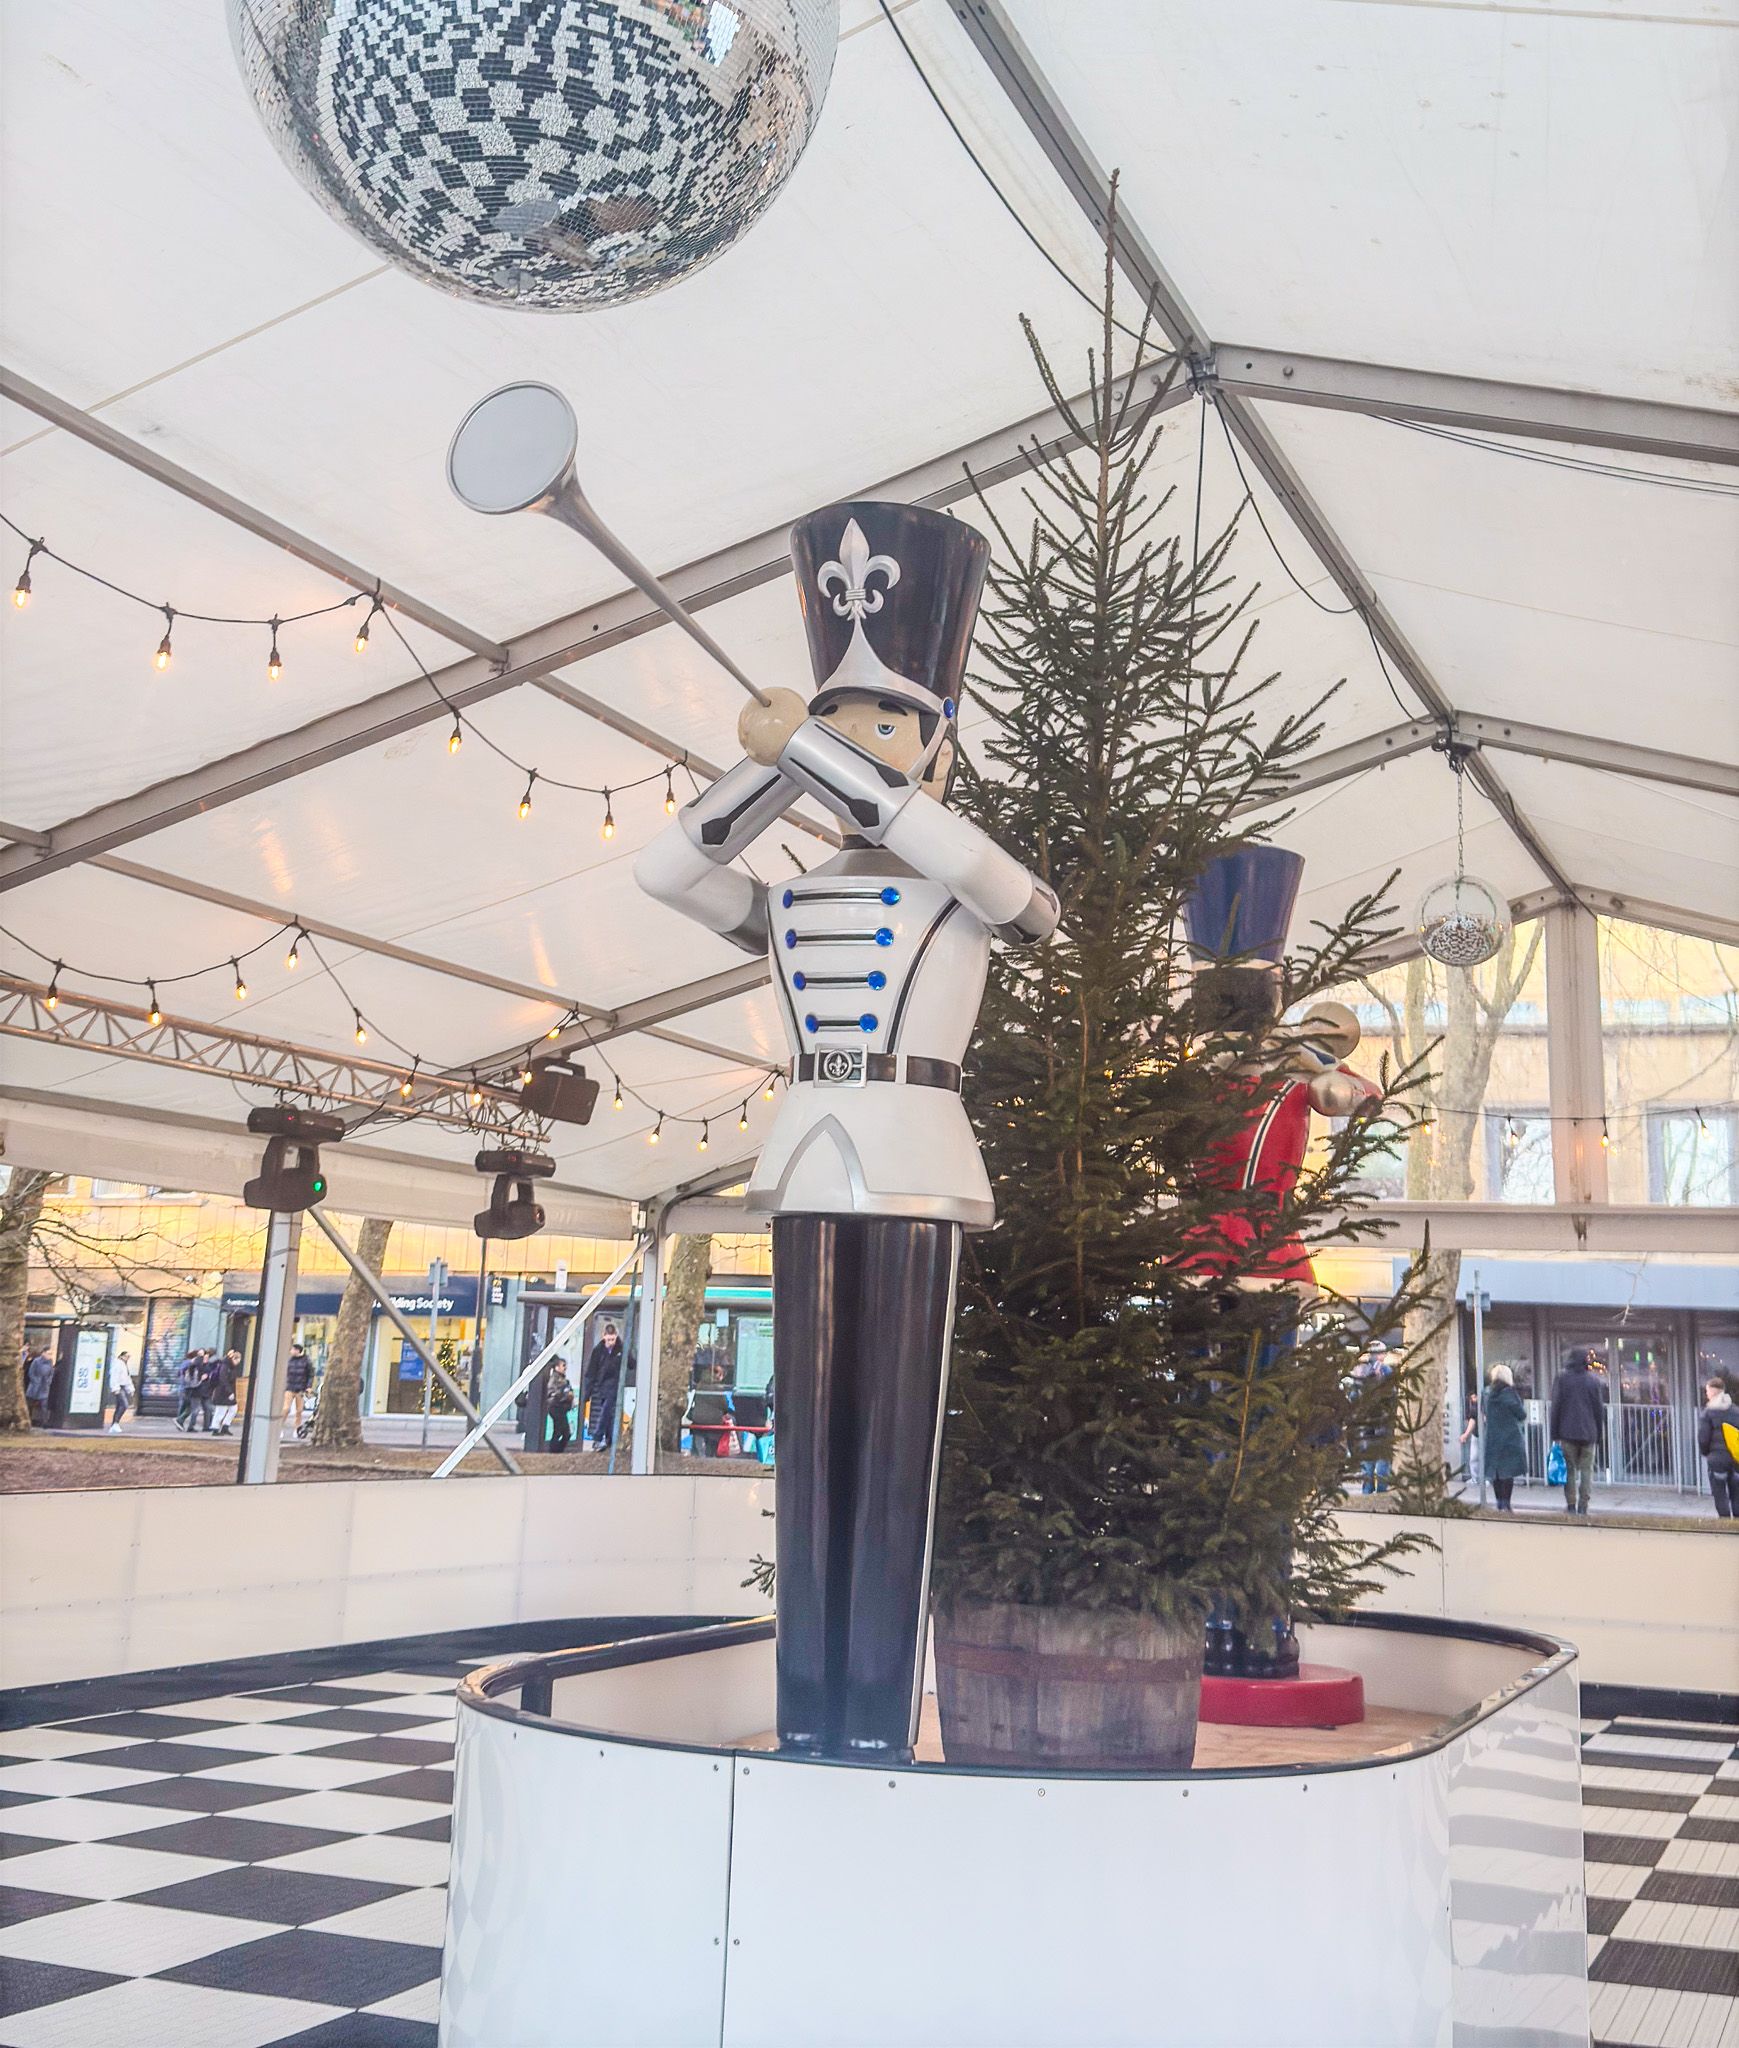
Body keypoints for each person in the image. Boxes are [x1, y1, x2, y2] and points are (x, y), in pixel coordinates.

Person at [637, 499, 1059, 1762]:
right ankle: (807, 1705)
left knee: (890, 1452)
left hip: (918, 1157)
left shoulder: (967, 882)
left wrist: (824, 758)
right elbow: (667, 871)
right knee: (810, 1443)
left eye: (885, 727)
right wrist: (771, 760)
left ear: (935, 750)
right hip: (810, 1152)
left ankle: (876, 1710)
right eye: (839, 721)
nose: (854, 747)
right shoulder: (788, 900)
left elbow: (1017, 898)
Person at [1548, 1345, 1606, 1515]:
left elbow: (1556, 1407)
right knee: (1587, 1471)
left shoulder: (1562, 1379)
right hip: (1589, 1433)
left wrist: (1554, 1433)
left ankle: (1571, 1504)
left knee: (1570, 1470)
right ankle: (1584, 1505)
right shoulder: (1593, 1381)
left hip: (1567, 1433)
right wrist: (1599, 1434)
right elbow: (1598, 1409)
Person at [1462, 1363, 1528, 1512]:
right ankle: (1506, 1503)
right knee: (1508, 1472)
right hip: (1510, 1437)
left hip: (1492, 1437)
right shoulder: (1510, 1393)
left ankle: (1499, 1503)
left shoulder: (1486, 1393)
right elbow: (1521, 1414)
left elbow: (1482, 1411)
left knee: (1496, 1472)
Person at [1697, 1375, 1737, 1519]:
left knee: (1720, 1495)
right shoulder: (1735, 1411)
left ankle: (1724, 1526)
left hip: (1717, 1460)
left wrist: (1707, 1453)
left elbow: (1703, 1438)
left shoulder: (1708, 1413)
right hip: (1735, 1459)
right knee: (1737, 1495)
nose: (1706, 1394)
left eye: (1707, 1391)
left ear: (1713, 1392)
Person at [582, 1323, 624, 1451]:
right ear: (604, 1336)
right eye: (609, 1339)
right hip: (601, 1385)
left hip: (614, 1385)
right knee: (607, 1413)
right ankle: (608, 1440)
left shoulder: (620, 1349)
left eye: (613, 1339)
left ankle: (599, 1437)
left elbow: (631, 1363)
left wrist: (623, 1349)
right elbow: (591, 1370)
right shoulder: (598, 1350)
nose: (611, 1342)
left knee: (607, 1410)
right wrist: (587, 1392)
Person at [176, 1349, 212, 1432]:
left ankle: (182, 1421)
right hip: (195, 1390)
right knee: (193, 1409)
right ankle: (184, 1423)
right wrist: (201, 1379)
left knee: (193, 1408)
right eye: (204, 1356)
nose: (206, 1358)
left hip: (198, 1390)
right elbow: (193, 1381)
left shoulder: (201, 1365)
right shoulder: (195, 1366)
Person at [207, 1350, 241, 1437]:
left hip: (226, 1392)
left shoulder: (229, 1367)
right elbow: (223, 1380)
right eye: (237, 1361)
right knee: (221, 1411)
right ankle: (215, 1428)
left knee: (233, 1409)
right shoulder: (225, 1367)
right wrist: (230, 1392)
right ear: (233, 1358)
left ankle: (224, 1427)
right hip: (222, 1392)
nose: (237, 1363)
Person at [284, 1343, 314, 1437]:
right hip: (289, 1387)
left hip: (300, 1388)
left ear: (297, 1350)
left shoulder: (306, 1361)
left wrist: (308, 1386)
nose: (291, 1351)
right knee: (286, 1408)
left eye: (292, 1349)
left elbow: (310, 1375)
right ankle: (279, 1427)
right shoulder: (289, 1361)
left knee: (299, 1410)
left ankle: (297, 1429)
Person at [545, 1360, 575, 1453]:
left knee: (562, 1431)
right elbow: (552, 1393)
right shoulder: (554, 1379)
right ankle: (554, 1450)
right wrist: (565, 1394)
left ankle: (556, 1450)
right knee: (561, 1431)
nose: (565, 1368)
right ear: (557, 1367)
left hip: (561, 1408)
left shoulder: (563, 1379)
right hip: (556, 1407)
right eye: (563, 1365)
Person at [25, 1343, 55, 1426]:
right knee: (30, 1404)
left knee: (44, 1405)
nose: (50, 1355)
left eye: (51, 1354)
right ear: (43, 1353)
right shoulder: (36, 1361)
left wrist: (49, 1381)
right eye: (49, 1353)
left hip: (44, 1386)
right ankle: (29, 1421)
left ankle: (44, 1423)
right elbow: (31, 1372)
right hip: (35, 1385)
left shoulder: (50, 1362)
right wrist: (35, 1381)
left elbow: (51, 1373)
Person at [108, 1350, 135, 1434]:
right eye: (126, 1356)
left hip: (122, 1387)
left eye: (129, 1357)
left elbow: (127, 1378)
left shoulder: (124, 1365)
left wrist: (130, 1389)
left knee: (119, 1406)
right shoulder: (118, 1364)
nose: (128, 1358)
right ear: (122, 1356)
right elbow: (114, 1376)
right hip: (119, 1387)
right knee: (124, 1405)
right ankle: (115, 1424)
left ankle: (114, 1425)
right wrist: (115, 1388)